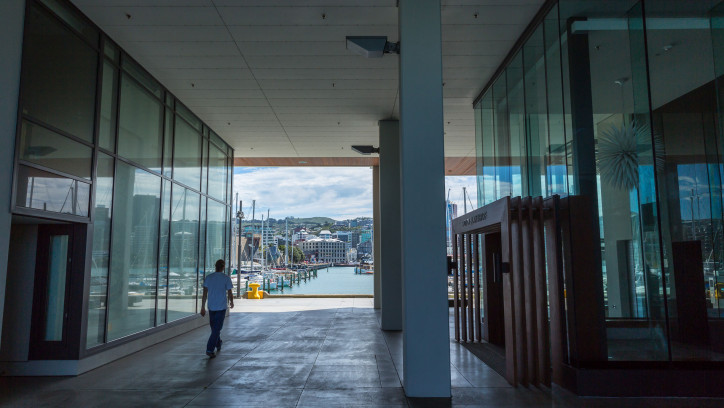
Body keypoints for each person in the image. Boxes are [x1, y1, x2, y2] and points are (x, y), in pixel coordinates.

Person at [200, 259, 234, 358]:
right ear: (223, 267)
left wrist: (202, 307)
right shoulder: (226, 278)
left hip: (211, 307)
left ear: (215, 266)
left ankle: (218, 343)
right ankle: (210, 349)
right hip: (221, 307)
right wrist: (232, 302)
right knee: (216, 329)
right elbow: (230, 292)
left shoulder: (209, 278)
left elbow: (204, 294)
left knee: (215, 328)